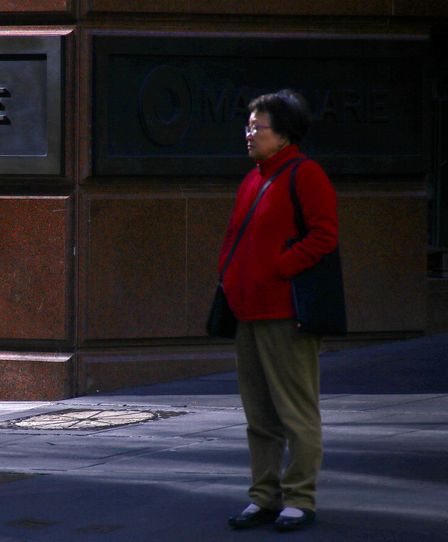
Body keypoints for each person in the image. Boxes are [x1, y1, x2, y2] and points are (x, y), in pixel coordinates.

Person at [219, 89, 338, 532]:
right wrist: (228, 279)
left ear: (284, 133)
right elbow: (235, 238)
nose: (249, 133)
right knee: (259, 417)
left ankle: (299, 498)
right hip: (247, 312)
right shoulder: (252, 178)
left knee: (295, 412)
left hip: (286, 314)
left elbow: (324, 235)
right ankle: (263, 496)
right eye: (248, 126)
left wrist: (279, 268)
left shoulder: (305, 174)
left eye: (258, 127)